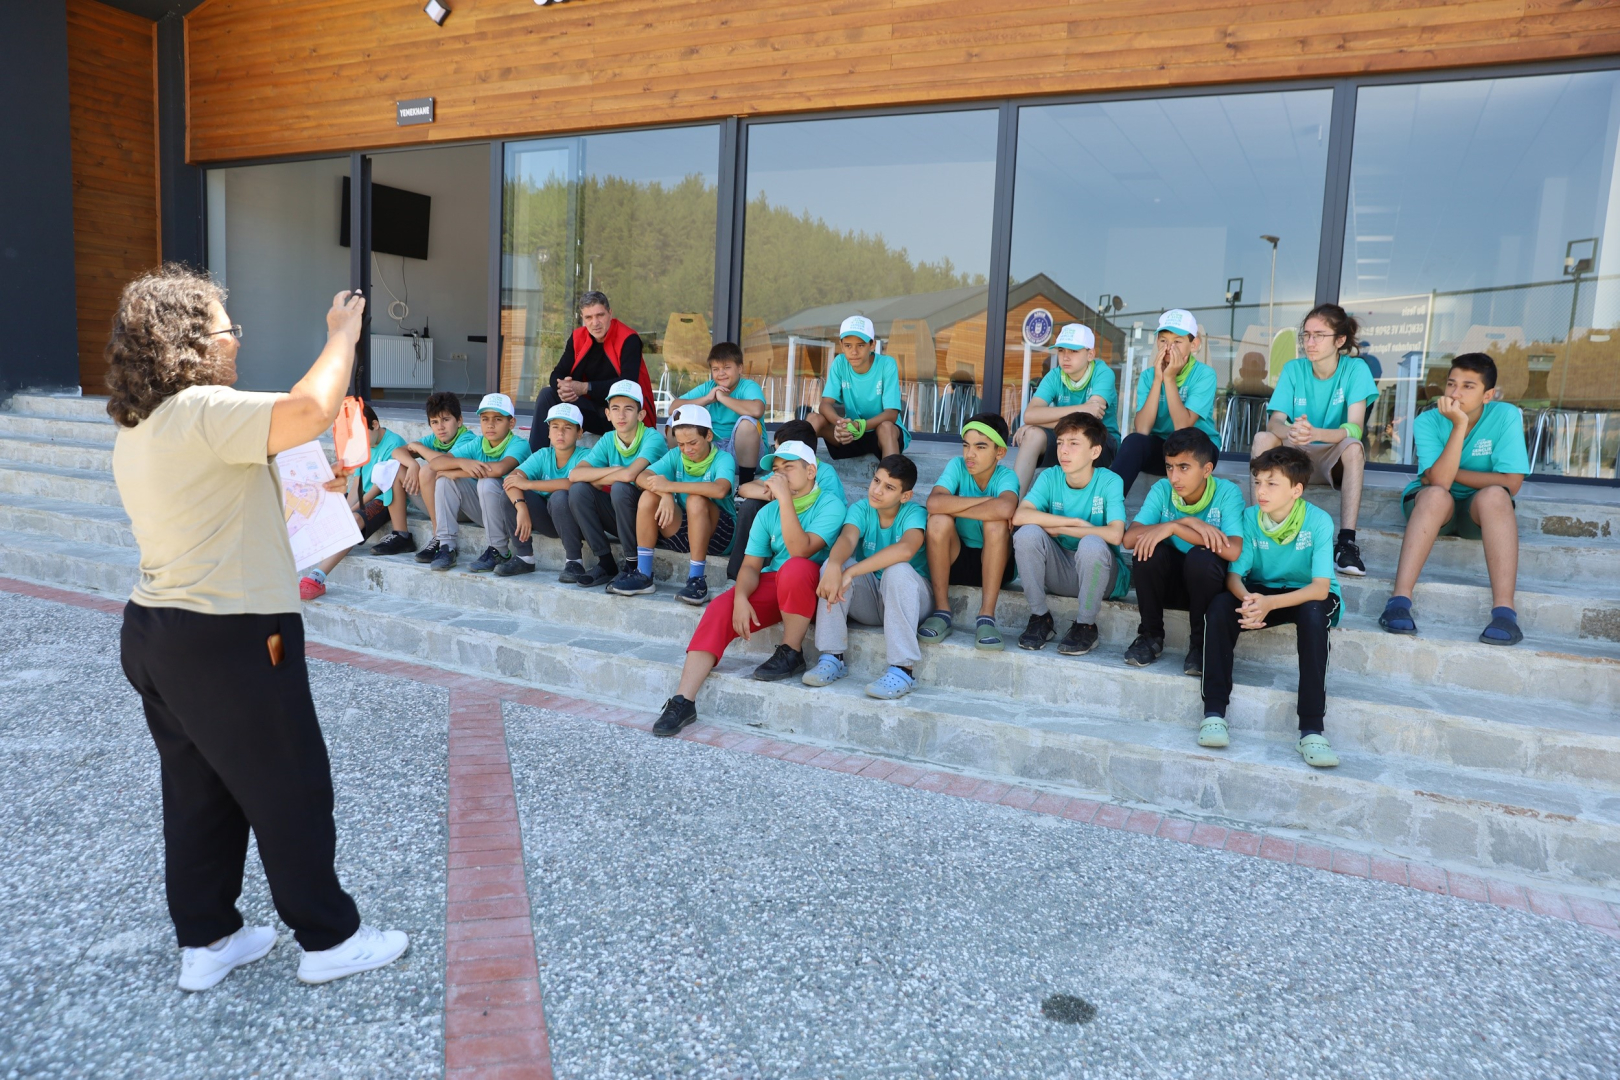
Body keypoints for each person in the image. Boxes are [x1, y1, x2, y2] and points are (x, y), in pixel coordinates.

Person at [108, 265, 406, 991]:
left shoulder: (143, 423)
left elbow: (234, 494)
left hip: (157, 632)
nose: (236, 340)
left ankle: (208, 938)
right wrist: (343, 334)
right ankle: (329, 938)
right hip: (230, 633)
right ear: (189, 343)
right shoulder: (205, 407)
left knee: (199, 790)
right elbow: (311, 407)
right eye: (226, 329)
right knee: (289, 783)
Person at [652, 440, 847, 736]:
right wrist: (741, 598)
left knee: (794, 568)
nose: (779, 475)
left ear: (811, 471)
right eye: (776, 470)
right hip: (780, 585)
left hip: (818, 590)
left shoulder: (830, 503)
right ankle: (683, 700)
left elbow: (801, 550)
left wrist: (783, 500)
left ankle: (791, 651)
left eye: (788, 468)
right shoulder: (768, 512)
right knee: (721, 606)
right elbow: (751, 566)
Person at [1201, 446, 1343, 768]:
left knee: (1313, 616)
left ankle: (1311, 730)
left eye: (1271, 483)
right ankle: (1213, 714)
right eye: (1257, 482)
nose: (1261, 491)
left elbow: (1320, 588)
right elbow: (1234, 576)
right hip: (1263, 592)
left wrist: (1269, 604)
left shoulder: (1318, 521)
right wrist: (1250, 601)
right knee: (1220, 607)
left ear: (1296, 490)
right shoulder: (1251, 518)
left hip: (1307, 595)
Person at [1379, 353, 1528, 645]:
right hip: (1434, 508)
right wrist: (1459, 426)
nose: (1455, 393)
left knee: (1496, 496)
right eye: (1451, 384)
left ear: (1488, 395)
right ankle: (1398, 601)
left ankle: (1504, 614)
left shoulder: (1505, 415)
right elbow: (1439, 483)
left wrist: (1447, 471)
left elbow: (1512, 483)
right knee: (1436, 495)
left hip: (1479, 511)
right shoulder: (1428, 420)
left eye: (1468, 386)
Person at [1252, 304, 1379, 576]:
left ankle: (1346, 544)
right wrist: (1290, 432)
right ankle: (1257, 533)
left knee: (1354, 447)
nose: (1310, 342)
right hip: (1297, 453)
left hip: (1333, 458)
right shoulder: (1293, 369)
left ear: (1340, 340)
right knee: (1263, 438)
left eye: (1319, 335)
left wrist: (1317, 434)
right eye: (1307, 335)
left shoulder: (1355, 369)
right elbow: (1274, 422)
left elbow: (1355, 428)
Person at [804, 454, 932, 699]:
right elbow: (847, 538)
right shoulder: (862, 508)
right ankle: (832, 658)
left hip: (912, 601)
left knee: (897, 570)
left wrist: (852, 571)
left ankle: (903, 670)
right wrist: (835, 565)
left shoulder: (914, 513)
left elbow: (906, 549)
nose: (877, 490)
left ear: (905, 496)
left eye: (889, 487)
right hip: (874, 599)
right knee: (832, 565)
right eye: (876, 481)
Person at [1122, 427, 1246, 675]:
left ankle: (1200, 645)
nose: (1174, 477)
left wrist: (1176, 528)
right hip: (1169, 587)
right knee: (1147, 549)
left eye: (1184, 467)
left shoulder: (1226, 492)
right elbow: (1129, 539)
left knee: (1202, 557)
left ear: (1207, 470)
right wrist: (1181, 524)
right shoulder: (1162, 489)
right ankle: (1150, 636)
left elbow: (1233, 550)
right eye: (1169, 467)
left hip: (1207, 589)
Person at [1011, 412, 1130, 656]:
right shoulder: (1050, 476)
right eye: (1060, 442)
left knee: (1092, 544)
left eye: (1074, 443)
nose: (1063, 450)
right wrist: (1074, 522)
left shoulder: (1110, 481)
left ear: (1095, 452)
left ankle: (1086, 625)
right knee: (1026, 534)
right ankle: (1040, 617)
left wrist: (1060, 529)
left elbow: (1116, 534)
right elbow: (1020, 516)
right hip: (1060, 570)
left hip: (1100, 575)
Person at [919, 413, 1019, 651]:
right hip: (956, 559)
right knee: (938, 521)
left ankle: (986, 618)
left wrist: (955, 506)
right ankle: (942, 611)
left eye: (980, 447)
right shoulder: (957, 466)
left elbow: (1006, 508)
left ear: (1000, 452)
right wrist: (987, 501)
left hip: (995, 563)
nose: (969, 454)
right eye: (966, 446)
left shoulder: (1006, 476)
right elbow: (934, 503)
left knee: (996, 523)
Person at [298, 402, 416, 600]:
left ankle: (316, 577)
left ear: (375, 425)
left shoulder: (394, 443)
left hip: (386, 497)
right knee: (324, 505)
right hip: (366, 496)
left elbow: (380, 485)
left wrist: (352, 510)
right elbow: (357, 485)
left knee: (353, 519)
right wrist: (344, 508)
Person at [623, 403, 738, 605]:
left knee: (695, 499)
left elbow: (720, 489)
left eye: (692, 443)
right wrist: (665, 494)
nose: (687, 449)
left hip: (720, 535)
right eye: (681, 444)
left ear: (708, 436)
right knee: (649, 496)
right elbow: (642, 476)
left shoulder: (723, 458)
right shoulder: (676, 455)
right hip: (684, 531)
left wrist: (670, 486)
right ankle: (643, 575)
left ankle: (697, 580)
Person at [564, 379, 668, 589]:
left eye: (628, 409)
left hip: (653, 521)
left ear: (641, 415)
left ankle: (633, 564)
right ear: (608, 414)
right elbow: (575, 474)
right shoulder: (608, 439)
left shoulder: (652, 438)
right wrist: (616, 471)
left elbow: (629, 475)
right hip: (624, 517)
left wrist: (601, 477)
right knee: (578, 491)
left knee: (621, 488)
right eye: (615, 408)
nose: (621, 415)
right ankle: (605, 562)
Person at [1110, 308, 1219, 497]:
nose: (1169, 348)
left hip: (1198, 447)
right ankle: (1108, 504)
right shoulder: (1148, 376)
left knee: (1188, 448)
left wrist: (1169, 379)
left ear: (1193, 345)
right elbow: (1142, 429)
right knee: (1133, 442)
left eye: (1177, 341)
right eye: (1163, 341)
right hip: (1164, 448)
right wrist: (1157, 380)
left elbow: (1183, 427)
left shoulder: (1204, 374)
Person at [417, 393, 531, 573]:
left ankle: (500, 551)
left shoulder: (519, 444)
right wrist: (462, 462)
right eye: (485, 419)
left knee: (487, 482)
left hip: (512, 515)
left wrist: (460, 470)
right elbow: (436, 464)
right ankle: (446, 547)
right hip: (484, 511)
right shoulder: (478, 442)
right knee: (445, 479)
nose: (490, 425)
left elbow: (500, 469)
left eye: (498, 419)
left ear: (511, 423)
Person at [726, 419, 848, 580]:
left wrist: (784, 495)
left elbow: (823, 508)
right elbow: (744, 488)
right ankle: (737, 575)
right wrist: (774, 492)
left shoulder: (825, 473)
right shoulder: (781, 470)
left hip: (811, 539)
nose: (777, 455)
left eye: (780, 449)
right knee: (751, 505)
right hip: (780, 528)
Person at [527, 290, 656, 437]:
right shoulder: (578, 337)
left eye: (600, 315)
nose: (595, 323)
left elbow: (628, 384)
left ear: (610, 313)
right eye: (589, 317)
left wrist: (585, 388)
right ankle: (536, 452)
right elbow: (558, 372)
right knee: (546, 395)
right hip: (590, 410)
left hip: (619, 416)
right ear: (582, 317)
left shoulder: (628, 339)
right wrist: (563, 387)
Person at [1010, 323, 1118, 493]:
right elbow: (1029, 414)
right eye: (1061, 350)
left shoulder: (1103, 372)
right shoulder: (1054, 375)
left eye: (1073, 351)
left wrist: (1039, 421)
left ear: (1090, 354)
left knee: (1079, 436)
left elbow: (1089, 421)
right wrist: (1082, 408)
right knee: (1032, 434)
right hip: (1064, 438)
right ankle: (1012, 500)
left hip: (1100, 440)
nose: (1065, 357)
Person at [498, 401, 587, 580]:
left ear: (579, 433)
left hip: (578, 523)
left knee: (560, 496)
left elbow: (571, 483)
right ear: (548, 432)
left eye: (567, 427)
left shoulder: (586, 455)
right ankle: (524, 557)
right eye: (555, 427)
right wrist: (521, 507)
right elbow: (511, 479)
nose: (560, 432)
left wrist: (529, 484)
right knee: (509, 496)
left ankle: (574, 561)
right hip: (549, 520)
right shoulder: (543, 455)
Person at [809, 315, 909, 461]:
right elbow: (825, 404)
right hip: (851, 433)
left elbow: (891, 414)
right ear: (841, 345)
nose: (854, 351)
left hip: (879, 433)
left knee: (886, 428)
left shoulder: (887, 364)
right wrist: (840, 424)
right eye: (848, 345)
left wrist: (860, 425)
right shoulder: (840, 362)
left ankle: (891, 473)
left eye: (861, 345)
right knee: (813, 419)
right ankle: (796, 467)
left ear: (872, 345)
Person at [674, 341, 765, 484]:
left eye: (727, 368)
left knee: (747, 423)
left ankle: (744, 486)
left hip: (745, 454)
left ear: (740, 368)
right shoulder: (709, 387)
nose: (721, 373)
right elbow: (673, 408)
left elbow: (757, 410)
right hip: (713, 449)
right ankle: (681, 475)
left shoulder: (748, 386)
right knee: (674, 421)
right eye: (715, 369)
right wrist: (707, 398)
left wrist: (723, 398)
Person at [400, 390, 479, 538]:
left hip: (464, 507)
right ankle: (400, 533)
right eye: (434, 422)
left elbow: (444, 462)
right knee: (398, 468)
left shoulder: (468, 439)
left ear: (459, 421)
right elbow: (397, 452)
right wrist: (412, 464)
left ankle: (439, 533)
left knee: (428, 470)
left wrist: (419, 448)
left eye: (446, 420)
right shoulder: (434, 439)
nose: (440, 427)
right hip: (437, 505)